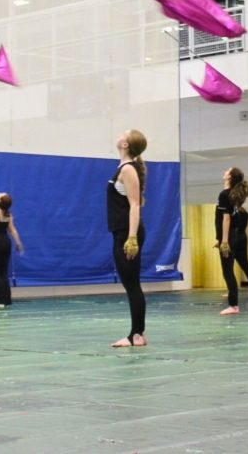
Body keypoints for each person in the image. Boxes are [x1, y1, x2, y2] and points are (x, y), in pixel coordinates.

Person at [108, 130, 147, 347]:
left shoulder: (128, 169)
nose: (118, 135)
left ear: (125, 144)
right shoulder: (123, 168)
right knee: (131, 284)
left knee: (132, 285)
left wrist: (131, 238)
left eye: (122, 133)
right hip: (121, 232)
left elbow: (135, 204)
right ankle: (138, 333)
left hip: (127, 233)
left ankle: (136, 335)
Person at [216, 167, 248, 315]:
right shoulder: (231, 194)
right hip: (231, 235)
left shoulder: (225, 194)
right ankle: (233, 303)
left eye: (227, 171)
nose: (224, 172)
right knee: (228, 270)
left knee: (227, 271)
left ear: (230, 177)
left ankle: (233, 305)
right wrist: (220, 239)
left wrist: (224, 241)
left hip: (229, 236)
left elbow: (226, 218)